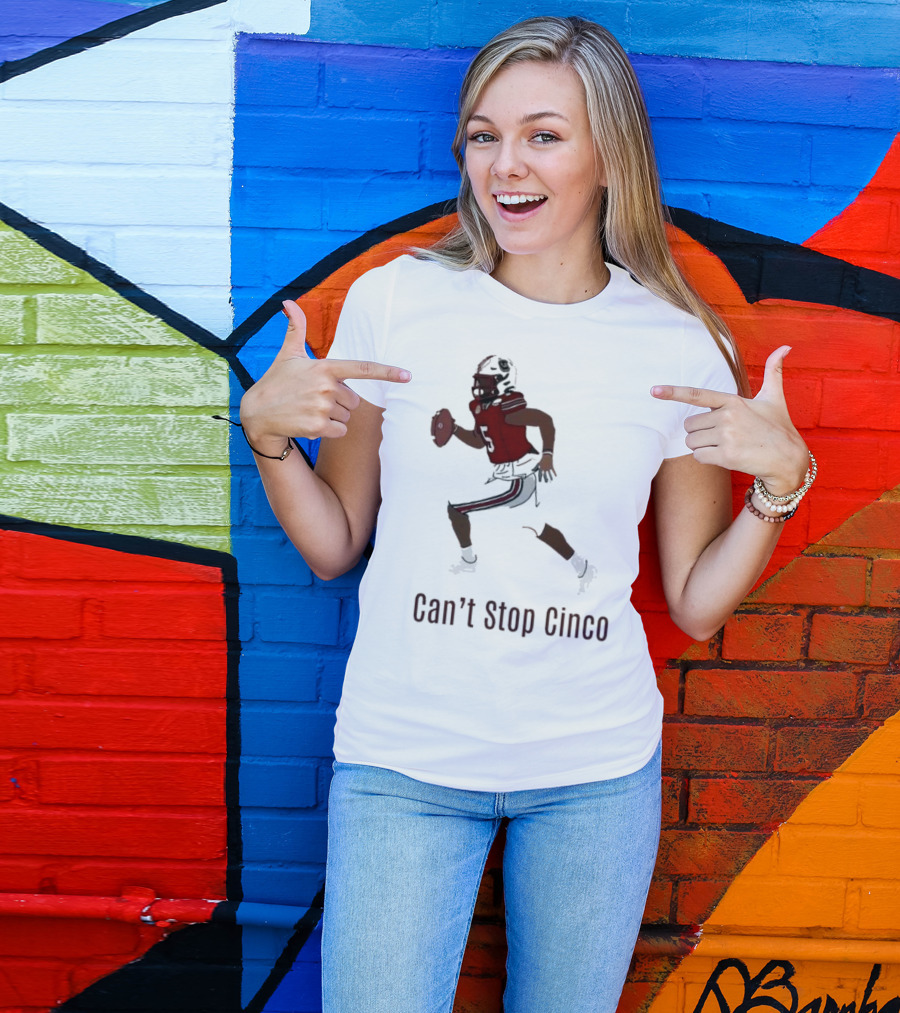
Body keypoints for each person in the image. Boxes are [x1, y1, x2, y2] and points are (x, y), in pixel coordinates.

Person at [238, 15, 813, 1013]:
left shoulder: (676, 345)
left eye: (544, 134)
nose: (506, 165)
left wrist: (779, 485)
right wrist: (270, 440)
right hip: (405, 760)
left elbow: (698, 602)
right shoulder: (397, 301)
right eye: (482, 134)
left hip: (594, 771)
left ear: (608, 156)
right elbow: (335, 544)